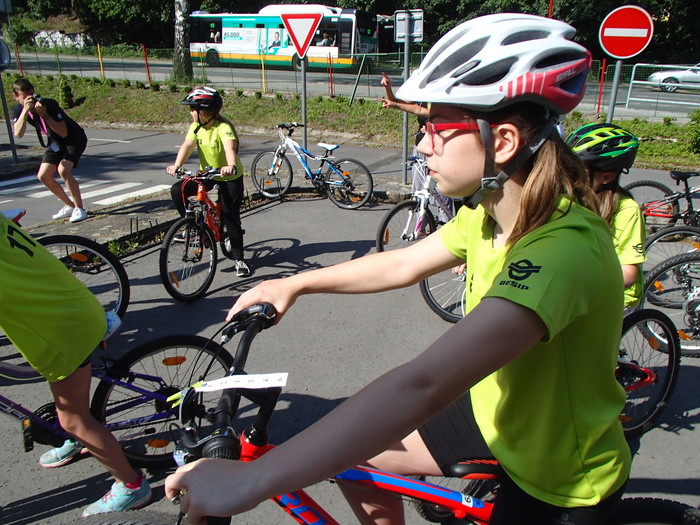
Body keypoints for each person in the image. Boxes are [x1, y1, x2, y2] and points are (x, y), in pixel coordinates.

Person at [166, 14, 631, 525]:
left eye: (436, 128)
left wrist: (250, 481)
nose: (422, 144)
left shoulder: (561, 251)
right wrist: (293, 283)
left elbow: (424, 384)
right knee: (359, 458)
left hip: (557, 477)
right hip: (497, 412)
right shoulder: (488, 214)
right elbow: (406, 262)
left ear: (501, 141)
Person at [0, 214, 152, 517]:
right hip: (72, 304)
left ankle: (132, 485)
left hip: (61, 327)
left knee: (73, 418)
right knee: (69, 404)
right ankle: (76, 438)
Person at [166, 86, 250, 277]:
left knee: (230, 217)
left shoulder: (223, 128)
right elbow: (188, 145)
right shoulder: (196, 127)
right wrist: (177, 165)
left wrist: (230, 165)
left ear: (203, 111)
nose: (190, 113)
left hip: (229, 176)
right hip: (208, 174)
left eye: (192, 109)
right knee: (178, 189)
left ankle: (239, 260)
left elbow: (230, 149)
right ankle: (193, 227)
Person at [566, 123, 646, 308]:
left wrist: (579, 286)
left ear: (606, 177)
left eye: (577, 170)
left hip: (615, 297)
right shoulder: (570, 199)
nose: (568, 175)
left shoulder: (627, 210)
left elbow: (628, 272)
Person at [11, 78, 88, 223]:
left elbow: (63, 132)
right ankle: (70, 206)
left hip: (74, 139)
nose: (29, 100)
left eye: (31, 96)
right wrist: (25, 111)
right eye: (25, 97)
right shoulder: (18, 110)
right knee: (43, 175)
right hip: (55, 142)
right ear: (16, 97)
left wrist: (44, 115)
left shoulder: (49, 104)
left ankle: (80, 209)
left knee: (63, 170)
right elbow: (18, 133)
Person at [380, 71, 454, 224]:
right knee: (419, 191)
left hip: (438, 148)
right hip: (421, 146)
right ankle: (421, 227)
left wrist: (396, 105)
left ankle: (446, 225)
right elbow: (395, 100)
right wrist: (388, 87)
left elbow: (423, 111)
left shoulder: (442, 96)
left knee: (442, 192)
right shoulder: (423, 93)